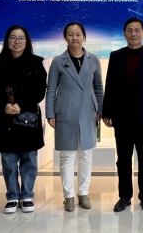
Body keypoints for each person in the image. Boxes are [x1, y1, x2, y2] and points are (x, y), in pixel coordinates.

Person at [102, 18, 143, 213]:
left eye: (137, 30)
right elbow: (110, 85)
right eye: (129, 30)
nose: (133, 34)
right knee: (123, 158)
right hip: (122, 115)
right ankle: (124, 196)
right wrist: (107, 112)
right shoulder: (116, 56)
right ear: (124, 34)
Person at [45, 22, 104, 212]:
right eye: (70, 34)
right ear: (65, 38)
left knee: (86, 155)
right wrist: (50, 113)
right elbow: (51, 89)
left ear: (84, 37)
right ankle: (68, 196)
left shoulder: (93, 59)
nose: (75, 38)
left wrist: (101, 110)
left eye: (78, 34)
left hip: (88, 112)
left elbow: (98, 87)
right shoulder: (58, 61)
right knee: (67, 155)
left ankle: (83, 193)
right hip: (65, 112)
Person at [0, 25, 47, 214]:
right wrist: (3, 106)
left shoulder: (36, 63)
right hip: (4, 118)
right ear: (7, 40)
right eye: (13, 37)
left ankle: (27, 195)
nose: (17, 41)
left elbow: (39, 90)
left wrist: (21, 104)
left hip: (27, 118)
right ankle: (12, 196)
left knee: (29, 158)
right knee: (8, 159)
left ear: (27, 41)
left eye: (21, 38)